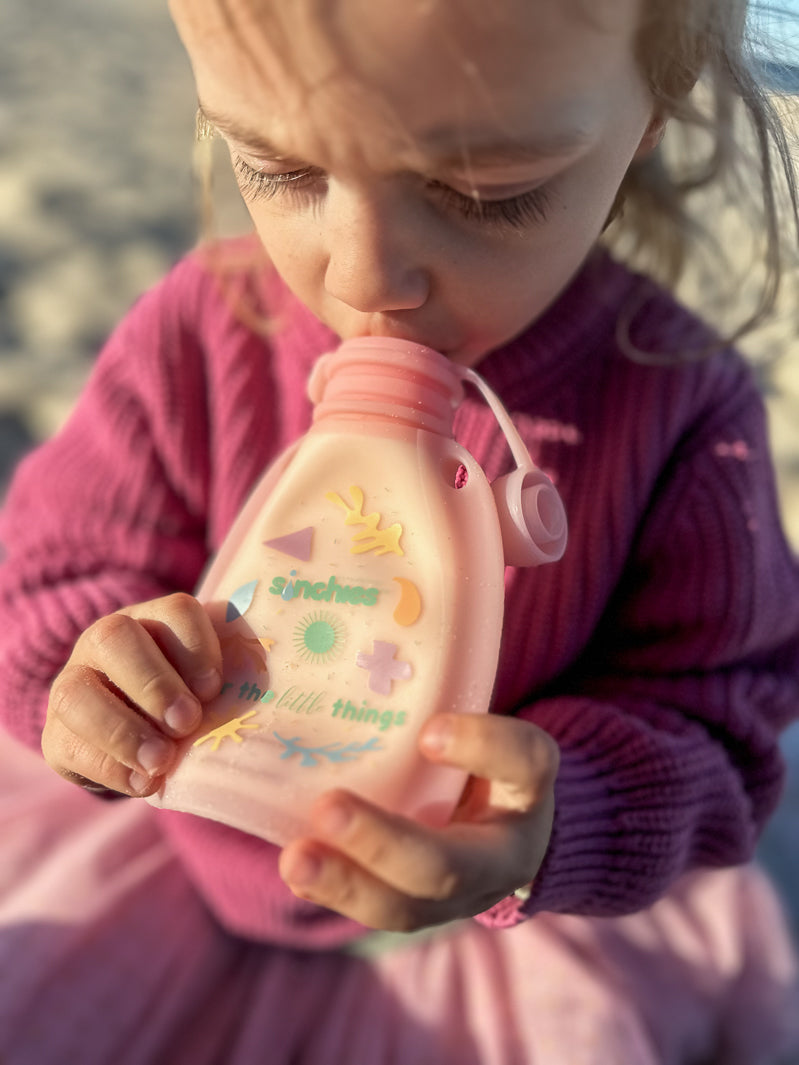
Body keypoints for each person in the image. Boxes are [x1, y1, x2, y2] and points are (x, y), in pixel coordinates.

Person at [1, 0, 798, 1061]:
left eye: (484, 192)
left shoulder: (685, 415)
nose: (363, 276)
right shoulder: (202, 334)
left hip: (504, 932)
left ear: (650, 116)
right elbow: (49, 579)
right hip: (170, 860)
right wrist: (97, 684)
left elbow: (723, 735)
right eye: (279, 168)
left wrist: (554, 820)